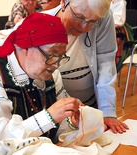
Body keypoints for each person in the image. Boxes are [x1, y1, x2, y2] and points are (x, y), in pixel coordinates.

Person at [0, 12, 104, 155]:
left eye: (61, 56)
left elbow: (57, 129)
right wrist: (48, 117)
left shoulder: (50, 75)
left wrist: (71, 121)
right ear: (23, 47)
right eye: (51, 55)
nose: (57, 64)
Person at [35, 0, 129, 134]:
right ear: (63, 3)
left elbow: (105, 65)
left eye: (92, 22)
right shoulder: (39, 23)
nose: (84, 26)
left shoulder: (104, 18)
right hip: (53, 112)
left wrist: (107, 111)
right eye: (79, 17)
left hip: (88, 107)